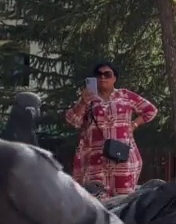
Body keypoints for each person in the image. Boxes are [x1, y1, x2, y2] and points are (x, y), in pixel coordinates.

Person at [64, 62, 158, 198]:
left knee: (124, 201)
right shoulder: (88, 99)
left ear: (115, 78)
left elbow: (150, 110)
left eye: (107, 74)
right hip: (95, 161)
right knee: (97, 202)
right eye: (99, 74)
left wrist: (134, 124)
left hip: (122, 159)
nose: (103, 77)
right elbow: (72, 120)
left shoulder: (125, 95)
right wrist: (82, 102)